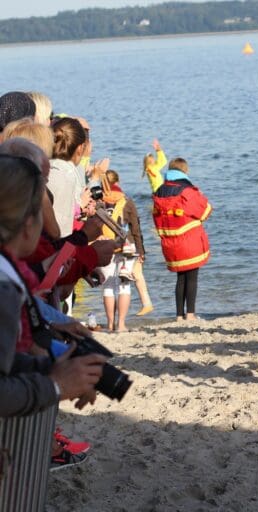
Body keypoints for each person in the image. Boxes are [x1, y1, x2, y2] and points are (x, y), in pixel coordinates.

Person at [0, 154, 106, 502]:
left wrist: (53, 368)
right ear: (29, 224)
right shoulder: (4, 286)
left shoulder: (8, 275)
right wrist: (55, 384)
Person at [152, 157, 213, 321]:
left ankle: (179, 315)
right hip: (189, 239)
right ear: (184, 171)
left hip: (170, 242)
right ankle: (191, 314)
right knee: (192, 278)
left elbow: (156, 218)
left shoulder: (159, 191)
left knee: (180, 279)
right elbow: (206, 210)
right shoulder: (187, 191)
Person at [97, 170, 146, 332]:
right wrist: (141, 251)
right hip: (127, 247)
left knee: (108, 286)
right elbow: (136, 228)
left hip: (105, 246)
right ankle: (121, 324)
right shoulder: (126, 201)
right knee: (124, 286)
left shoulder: (98, 202)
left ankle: (110, 324)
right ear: (118, 182)